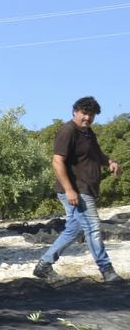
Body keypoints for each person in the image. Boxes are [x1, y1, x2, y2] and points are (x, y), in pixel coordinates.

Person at [33, 96, 123, 282]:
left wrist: (110, 162)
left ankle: (44, 265)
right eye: (84, 113)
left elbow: (97, 155)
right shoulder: (68, 131)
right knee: (93, 228)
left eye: (91, 115)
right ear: (75, 111)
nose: (87, 118)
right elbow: (57, 161)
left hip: (86, 189)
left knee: (73, 230)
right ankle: (107, 271)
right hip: (76, 190)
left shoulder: (88, 133)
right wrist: (69, 189)